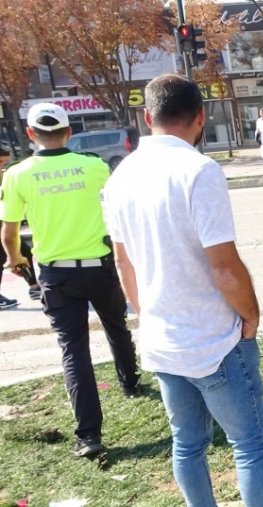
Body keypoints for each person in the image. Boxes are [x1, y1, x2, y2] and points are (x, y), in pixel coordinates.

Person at [103, 74, 263, 507]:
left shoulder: (120, 177)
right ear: (201, 118)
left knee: (187, 445)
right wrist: (252, 317)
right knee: (251, 446)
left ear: (146, 117)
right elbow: (223, 267)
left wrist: (149, 316)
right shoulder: (198, 170)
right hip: (214, 340)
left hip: (163, 340)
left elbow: (124, 264)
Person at [0, 103, 141, 457]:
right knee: (116, 327)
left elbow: (9, 233)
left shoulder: (18, 173)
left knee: (73, 351)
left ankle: (90, 436)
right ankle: (130, 383)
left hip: (55, 274)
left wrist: (15, 258)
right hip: (99, 266)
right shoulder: (94, 167)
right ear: (69, 132)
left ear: (31, 134)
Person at [0, 148, 41, 308]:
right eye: (0, 161)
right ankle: (34, 287)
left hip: (3, 223)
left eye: (4, 162)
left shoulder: (4, 174)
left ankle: (34, 287)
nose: (3, 165)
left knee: (22, 252)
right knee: (5, 256)